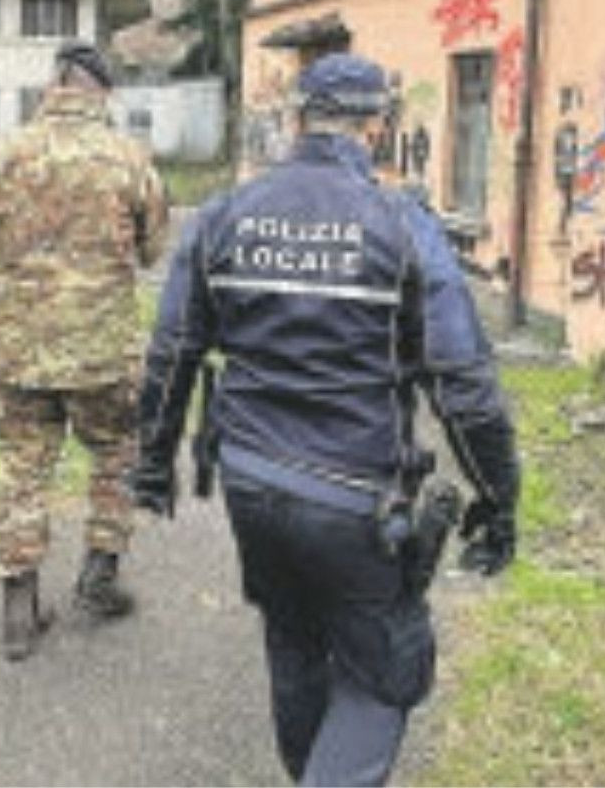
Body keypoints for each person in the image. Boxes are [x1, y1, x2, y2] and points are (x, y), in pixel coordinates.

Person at [129, 52, 521, 787]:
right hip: (355, 498)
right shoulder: (401, 222)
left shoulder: (222, 215)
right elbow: (463, 384)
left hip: (249, 483)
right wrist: (499, 499)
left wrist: (152, 465)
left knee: (294, 639)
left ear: (297, 119)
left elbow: (171, 353)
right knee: (386, 675)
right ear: (378, 126)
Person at [0, 39, 170, 661]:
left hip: (20, 353)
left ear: (53, 87)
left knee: (23, 466)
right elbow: (153, 250)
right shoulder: (129, 159)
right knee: (117, 455)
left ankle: (19, 608)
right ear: (104, 93)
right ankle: (100, 575)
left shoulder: (2, 152)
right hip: (103, 352)